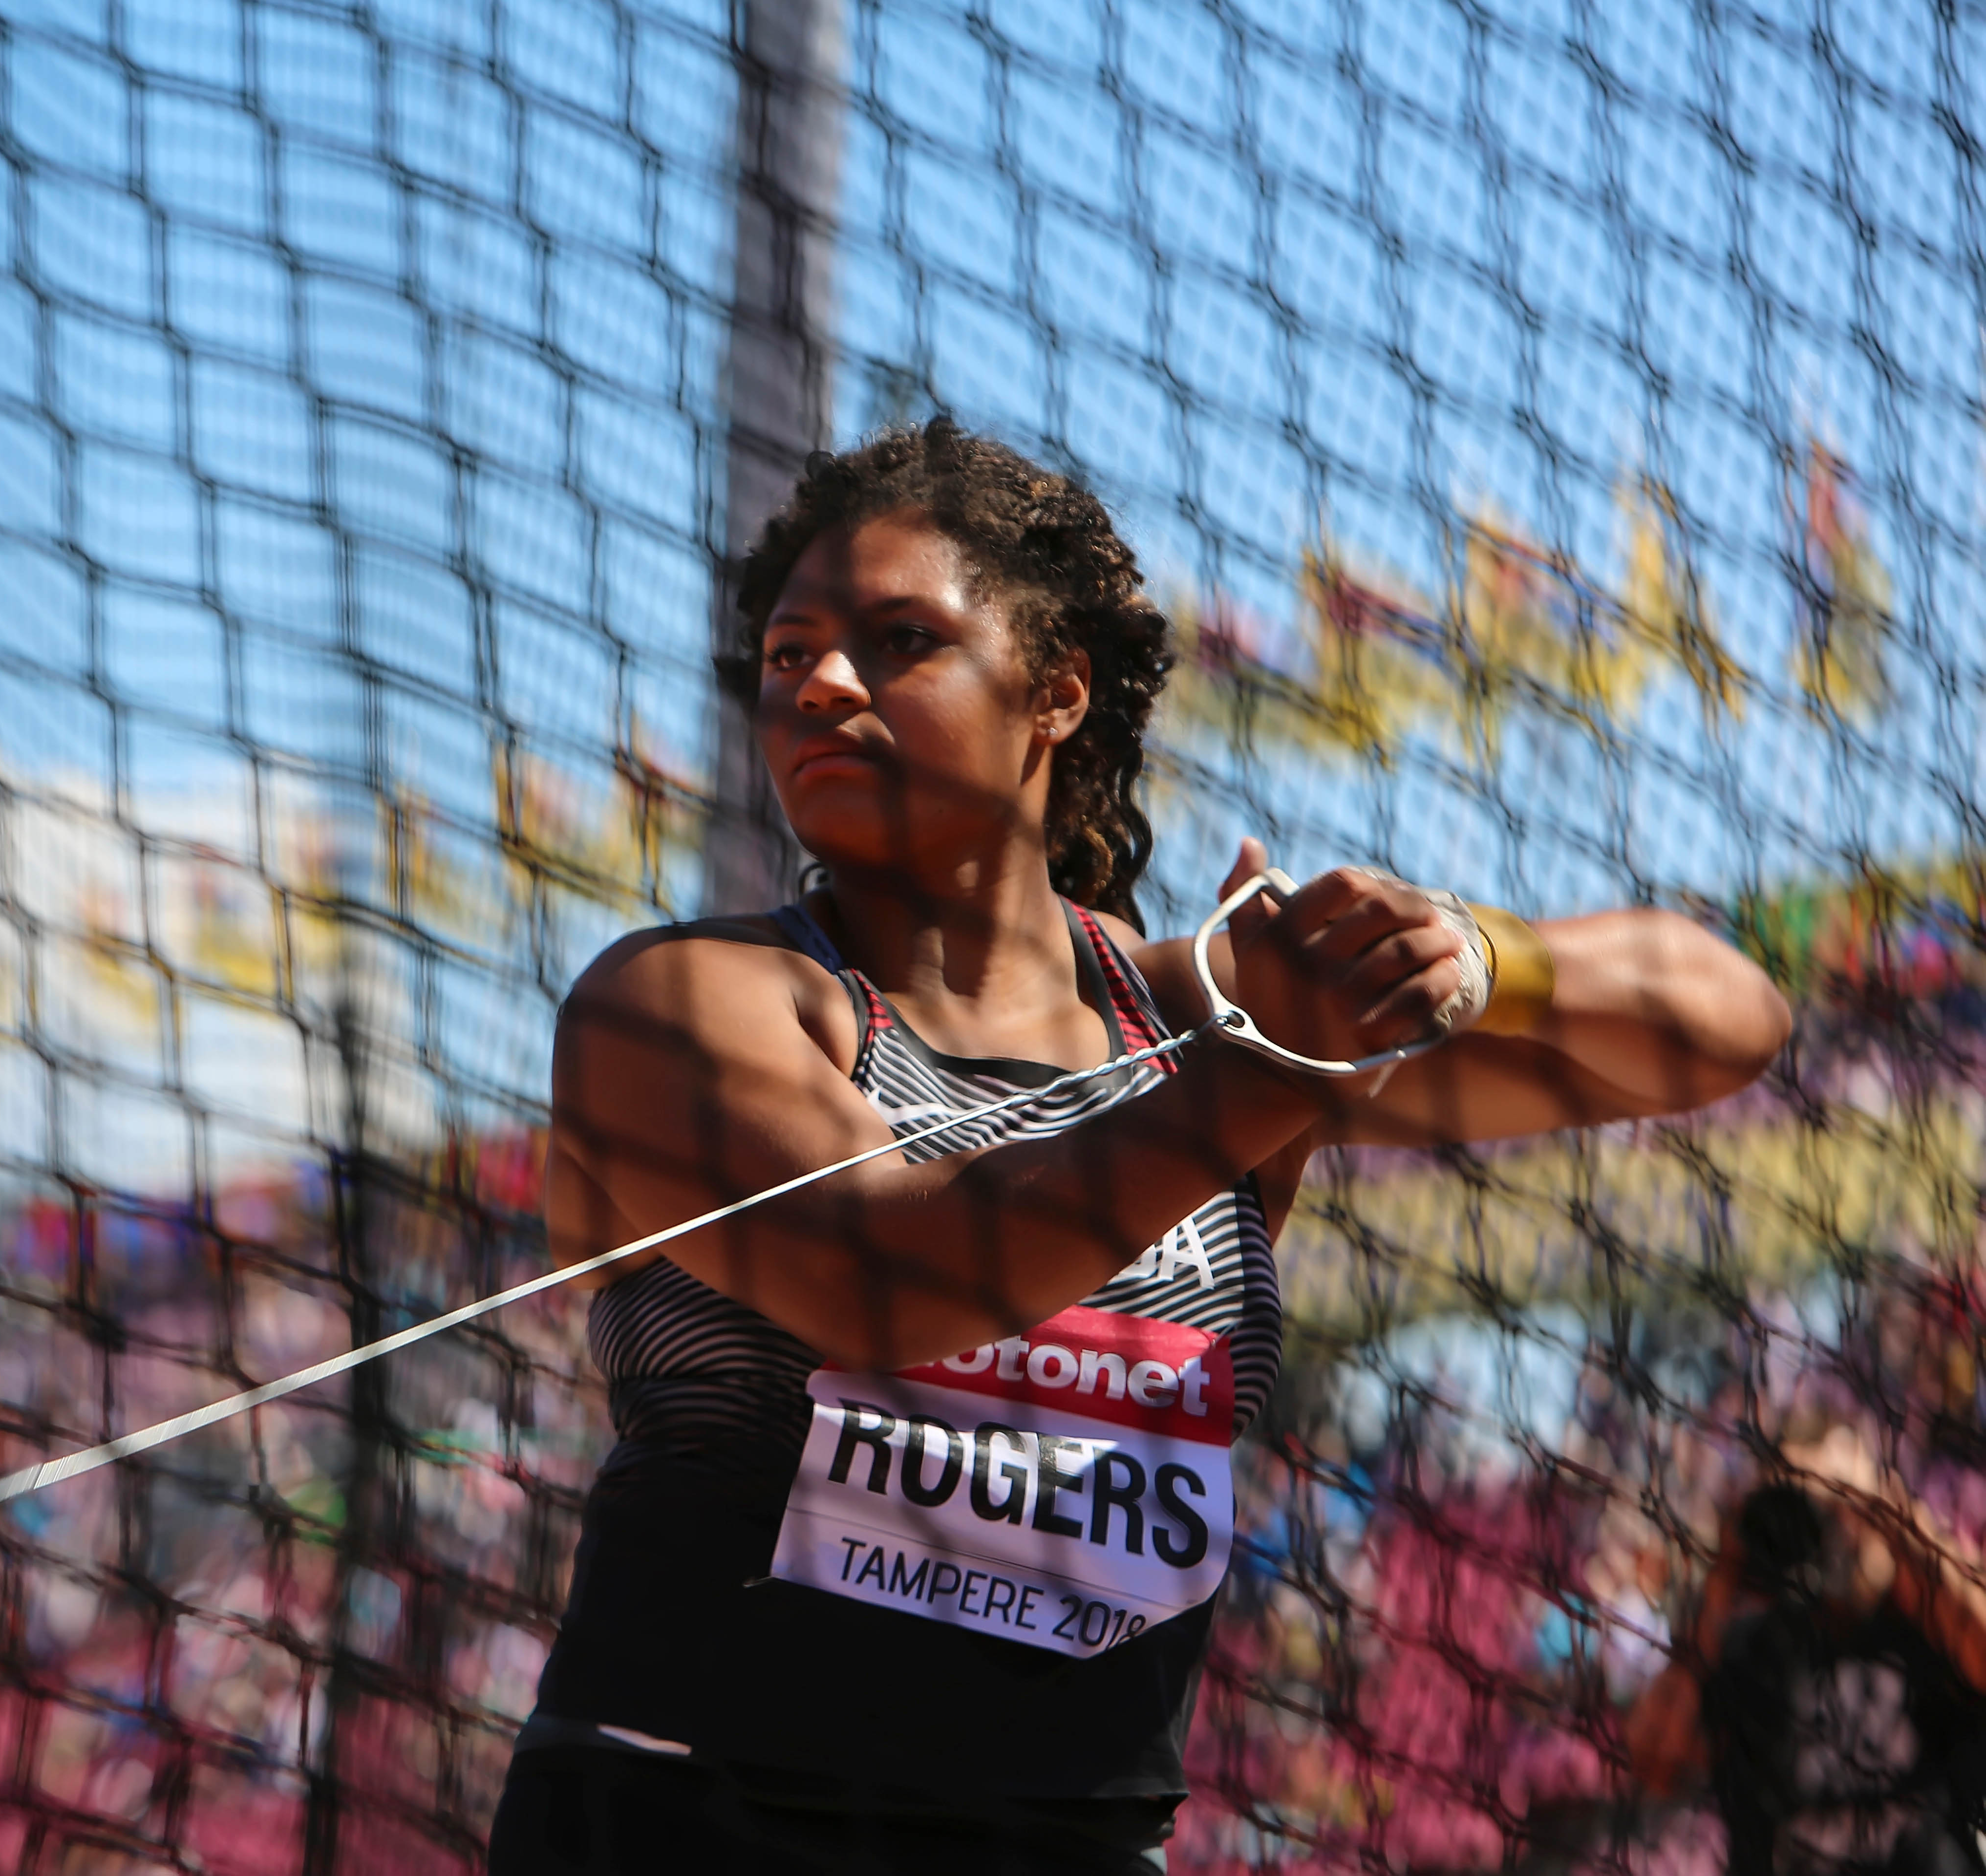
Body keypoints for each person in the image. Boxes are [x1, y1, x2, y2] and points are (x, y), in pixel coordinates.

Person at [486, 420, 1792, 1874]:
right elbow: (893, 1274)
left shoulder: (1197, 1014)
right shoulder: (678, 1000)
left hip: (1077, 1839)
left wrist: (1473, 956)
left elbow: (1725, 1017)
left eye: (901, 639)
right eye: (791, 655)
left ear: (1055, 692)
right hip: (700, 1822)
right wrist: (1269, 1064)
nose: (824, 683)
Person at [1628, 1422, 1986, 1875]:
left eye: (1832, 1502)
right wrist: (1726, 1574)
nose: (1823, 1527)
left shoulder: (1926, 1626)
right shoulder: (1751, 1651)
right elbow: (1652, 1761)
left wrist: (1888, 1513)